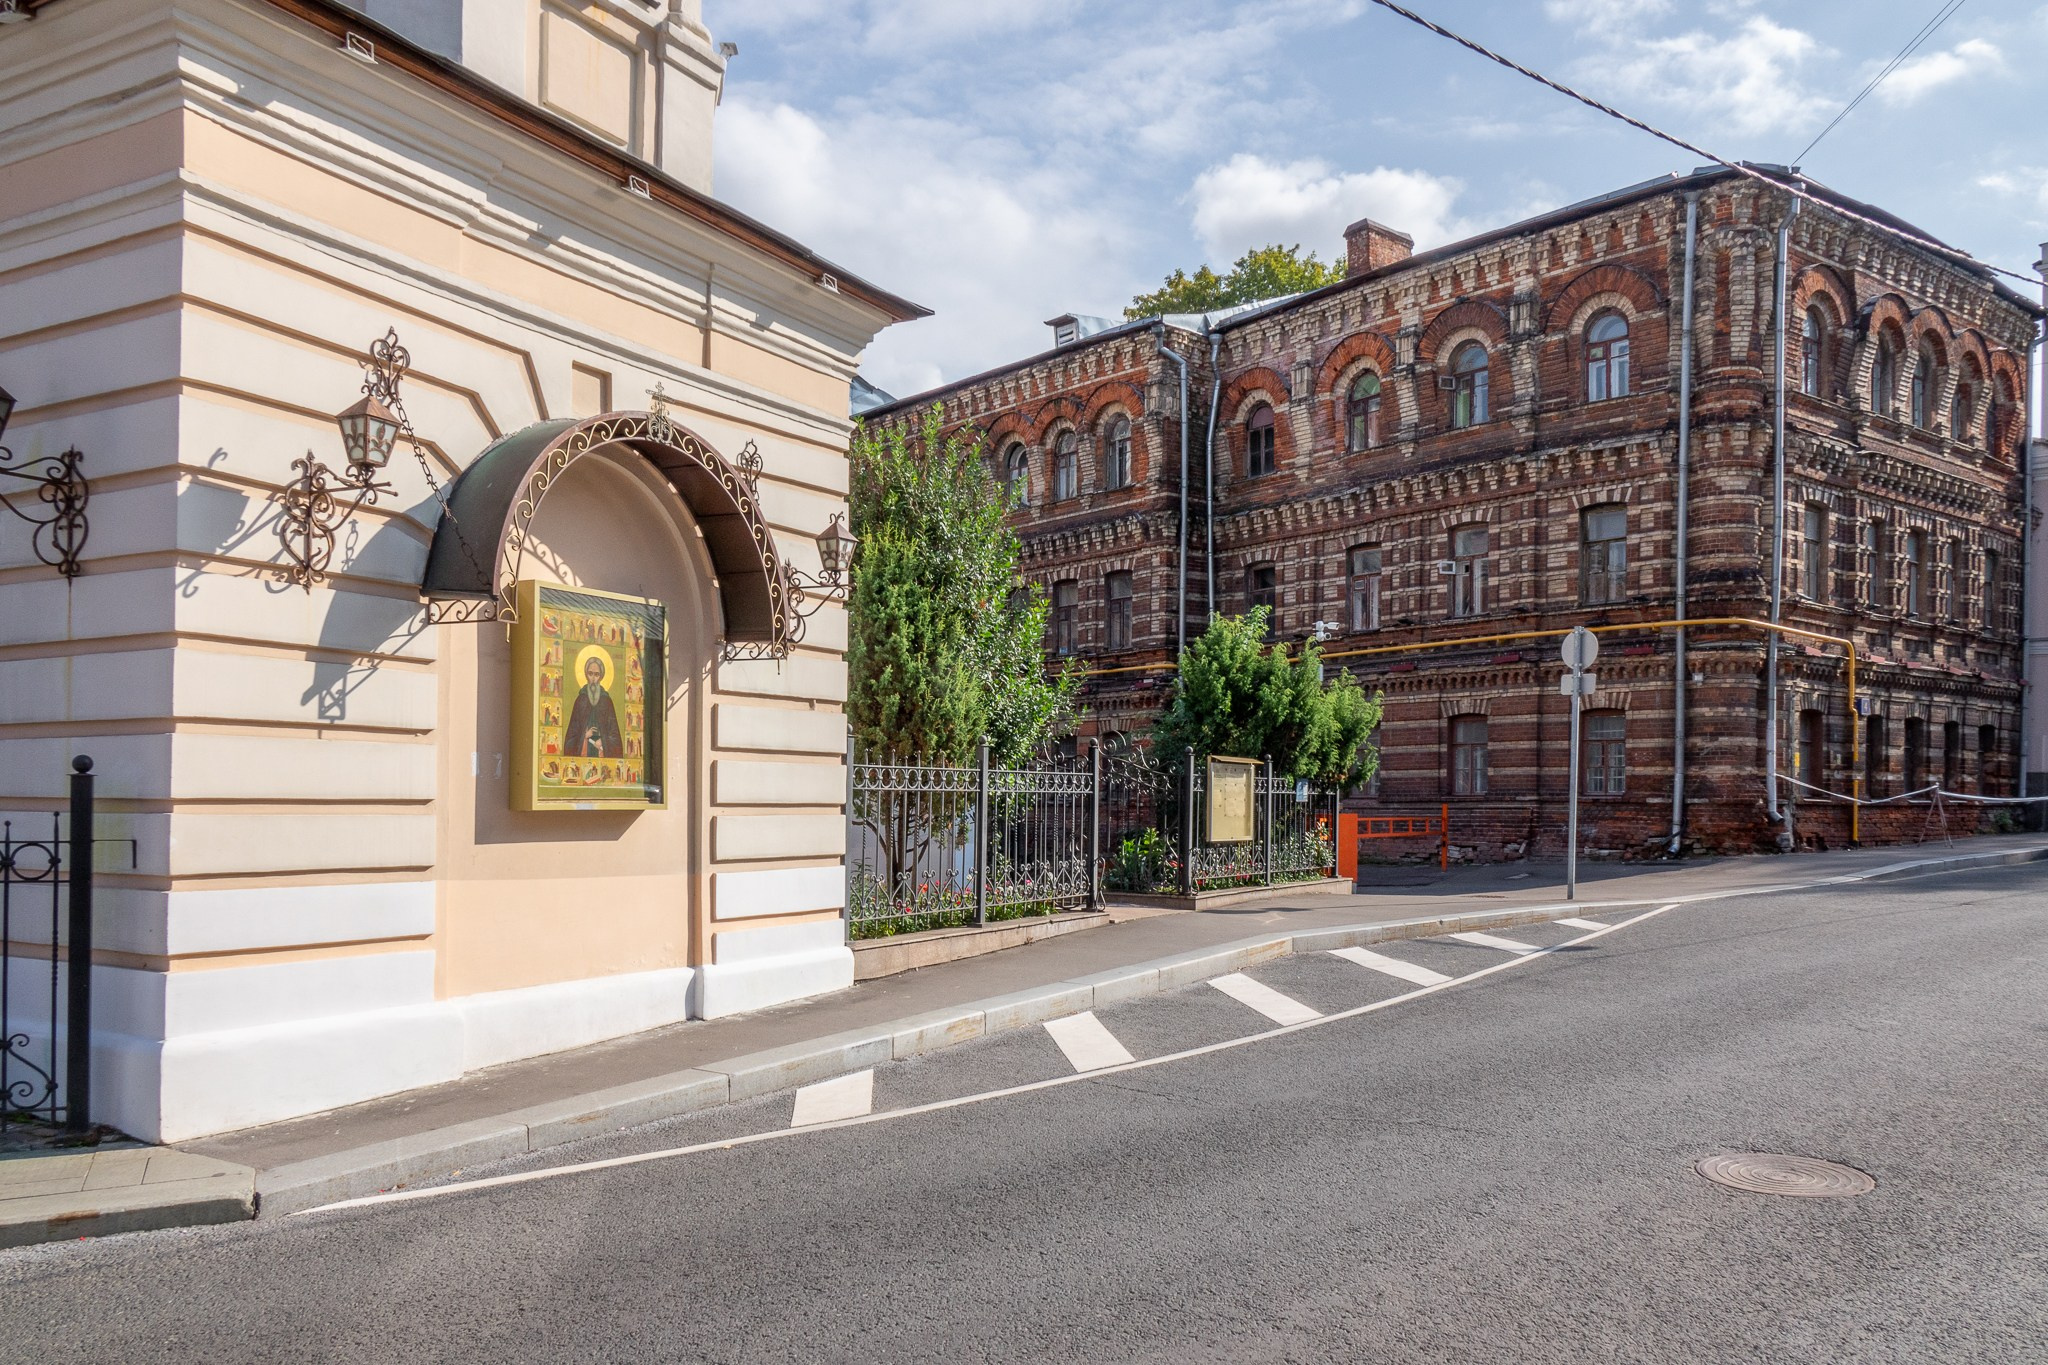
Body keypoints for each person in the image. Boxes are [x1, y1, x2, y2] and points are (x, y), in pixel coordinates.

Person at [564, 654, 623, 758]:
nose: (593, 678)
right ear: (586, 675)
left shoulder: (607, 701)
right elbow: (571, 737)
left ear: (601, 676)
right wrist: (584, 736)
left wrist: (604, 742)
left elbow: (615, 735)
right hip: (584, 751)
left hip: (602, 753)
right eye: (590, 674)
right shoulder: (580, 700)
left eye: (597, 674)